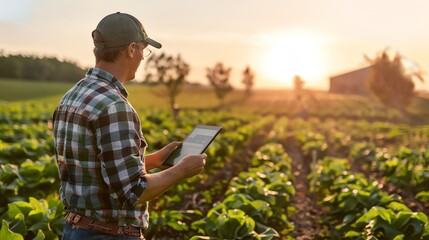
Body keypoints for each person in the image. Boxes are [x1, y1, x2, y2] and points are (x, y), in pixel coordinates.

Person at [52, 12, 206, 240]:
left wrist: (155, 160)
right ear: (131, 49)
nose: (143, 57)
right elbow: (133, 191)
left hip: (75, 230)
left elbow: (98, 168)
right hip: (109, 234)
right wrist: (181, 170)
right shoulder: (114, 106)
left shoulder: (72, 96)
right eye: (143, 49)